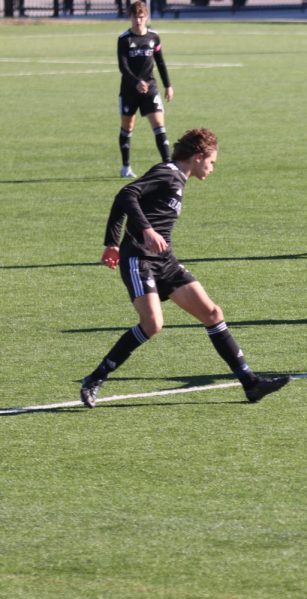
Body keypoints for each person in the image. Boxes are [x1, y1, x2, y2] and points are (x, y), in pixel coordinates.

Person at [79, 128, 290, 408]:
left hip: (165, 261)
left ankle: (250, 383)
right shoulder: (168, 172)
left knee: (212, 313)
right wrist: (140, 233)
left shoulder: (178, 178)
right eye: (212, 161)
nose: (212, 168)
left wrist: (111, 242)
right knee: (152, 324)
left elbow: (127, 200)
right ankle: (95, 378)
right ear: (198, 156)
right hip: (140, 259)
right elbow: (127, 194)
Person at [117, 1, 174, 178]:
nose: (139, 20)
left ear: (146, 17)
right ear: (130, 17)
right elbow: (123, 66)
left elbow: (161, 62)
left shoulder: (153, 37)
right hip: (129, 90)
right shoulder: (124, 39)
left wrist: (168, 85)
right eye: (135, 17)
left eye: (142, 17)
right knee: (128, 126)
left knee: (158, 124)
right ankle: (126, 167)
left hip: (150, 88)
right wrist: (135, 82)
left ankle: (168, 165)